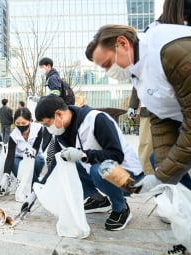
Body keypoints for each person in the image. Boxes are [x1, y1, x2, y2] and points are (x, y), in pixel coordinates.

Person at [85, 16, 191, 255]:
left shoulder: (171, 52)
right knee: (159, 160)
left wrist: (164, 176)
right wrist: (162, 176)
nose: (108, 73)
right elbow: (160, 121)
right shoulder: (138, 71)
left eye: (107, 64)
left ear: (122, 43)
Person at [35, 95, 143, 231]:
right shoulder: (61, 134)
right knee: (69, 166)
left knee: (99, 169)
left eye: (47, 123)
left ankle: (121, 207)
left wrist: (83, 154)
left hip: (129, 178)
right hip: (99, 171)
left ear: (59, 114)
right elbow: (55, 164)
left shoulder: (96, 120)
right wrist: (40, 188)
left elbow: (117, 155)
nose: (47, 128)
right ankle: (99, 200)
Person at [1, 107, 44, 189]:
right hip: (19, 158)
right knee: (14, 163)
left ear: (30, 121)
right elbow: (10, 156)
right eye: (18, 123)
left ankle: (30, 184)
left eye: (23, 123)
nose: (20, 126)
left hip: (34, 156)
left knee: (39, 161)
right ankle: (34, 185)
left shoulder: (38, 129)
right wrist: (5, 174)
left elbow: (36, 148)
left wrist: (27, 162)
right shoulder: (13, 135)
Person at [127, 88, 154, 175]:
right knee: (147, 144)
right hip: (148, 111)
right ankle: (148, 174)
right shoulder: (142, 73)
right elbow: (136, 85)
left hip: (172, 109)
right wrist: (132, 106)